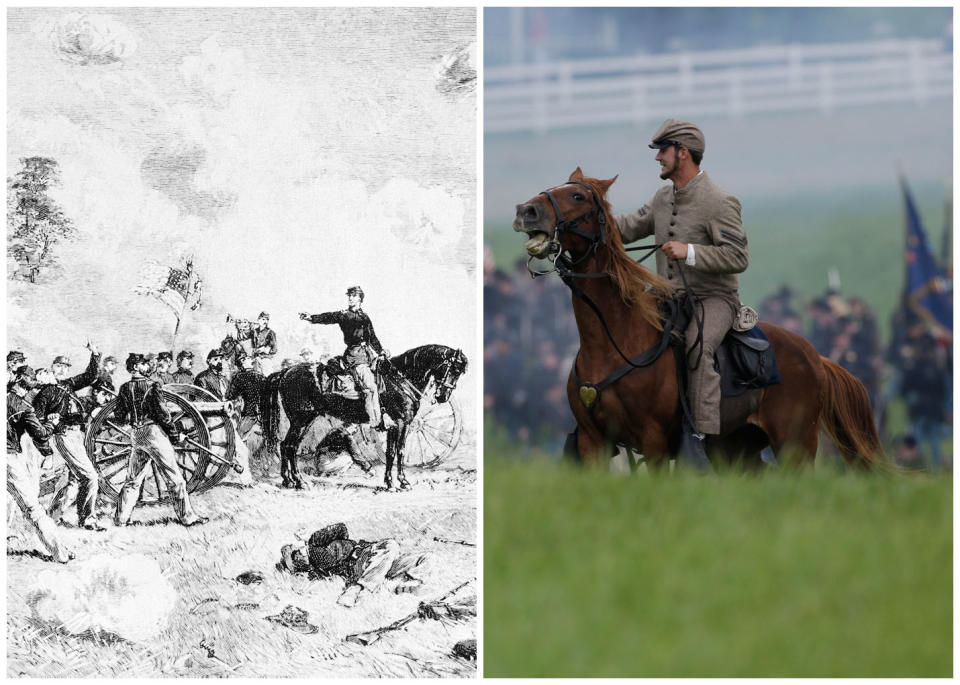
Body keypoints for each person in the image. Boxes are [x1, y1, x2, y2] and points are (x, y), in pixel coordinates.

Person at [614, 118, 749, 466]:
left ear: (683, 153)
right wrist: (586, 215)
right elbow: (629, 228)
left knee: (696, 347)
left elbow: (738, 257)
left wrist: (688, 251)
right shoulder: (663, 197)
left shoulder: (720, 201)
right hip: (668, 298)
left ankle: (697, 439)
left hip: (714, 300)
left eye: (663, 151)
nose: (658, 158)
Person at [113, 354, 207, 527]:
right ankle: (187, 517)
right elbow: (163, 416)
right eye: (142, 364)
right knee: (175, 478)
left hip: (136, 434)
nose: (147, 366)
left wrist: (133, 421)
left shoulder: (124, 388)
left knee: (132, 480)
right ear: (135, 367)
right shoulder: (152, 385)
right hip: (153, 434)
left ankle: (120, 519)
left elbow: (119, 417)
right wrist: (174, 435)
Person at [299, 287, 393, 431]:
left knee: (382, 378)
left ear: (360, 299)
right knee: (370, 387)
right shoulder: (344, 315)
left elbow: (372, 337)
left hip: (367, 354)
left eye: (353, 296)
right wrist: (312, 318)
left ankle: (384, 412)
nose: (350, 298)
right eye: (349, 296)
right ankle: (375, 422)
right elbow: (328, 317)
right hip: (355, 356)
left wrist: (381, 351)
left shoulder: (365, 317)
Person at [32, 345, 104, 530]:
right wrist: (51, 426)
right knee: (90, 477)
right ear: (52, 368)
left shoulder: (68, 384)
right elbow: (37, 420)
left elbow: (90, 376)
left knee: (73, 480)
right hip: (64, 436)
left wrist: (95, 354)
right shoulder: (45, 392)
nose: (63, 370)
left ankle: (52, 517)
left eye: (66, 367)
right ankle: (87, 519)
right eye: (59, 366)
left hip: (76, 434)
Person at [7, 370, 74, 563]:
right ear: (22, 381)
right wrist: (53, 424)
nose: (35, 381)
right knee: (33, 509)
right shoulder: (23, 407)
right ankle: (59, 553)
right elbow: (42, 434)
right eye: (32, 378)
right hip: (8, 459)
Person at [279, 522, 426, 607]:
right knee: (390, 545)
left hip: (372, 560)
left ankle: (413, 586)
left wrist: (313, 538)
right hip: (363, 563)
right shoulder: (315, 563)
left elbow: (341, 528)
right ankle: (358, 588)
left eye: (296, 556)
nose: (299, 558)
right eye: (295, 562)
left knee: (425, 558)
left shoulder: (315, 543)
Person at [227, 353, 264, 438]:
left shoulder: (239, 377)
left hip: (249, 415)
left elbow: (230, 395)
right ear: (243, 361)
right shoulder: (261, 377)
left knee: (238, 437)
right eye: (248, 358)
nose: (251, 359)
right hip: (260, 415)